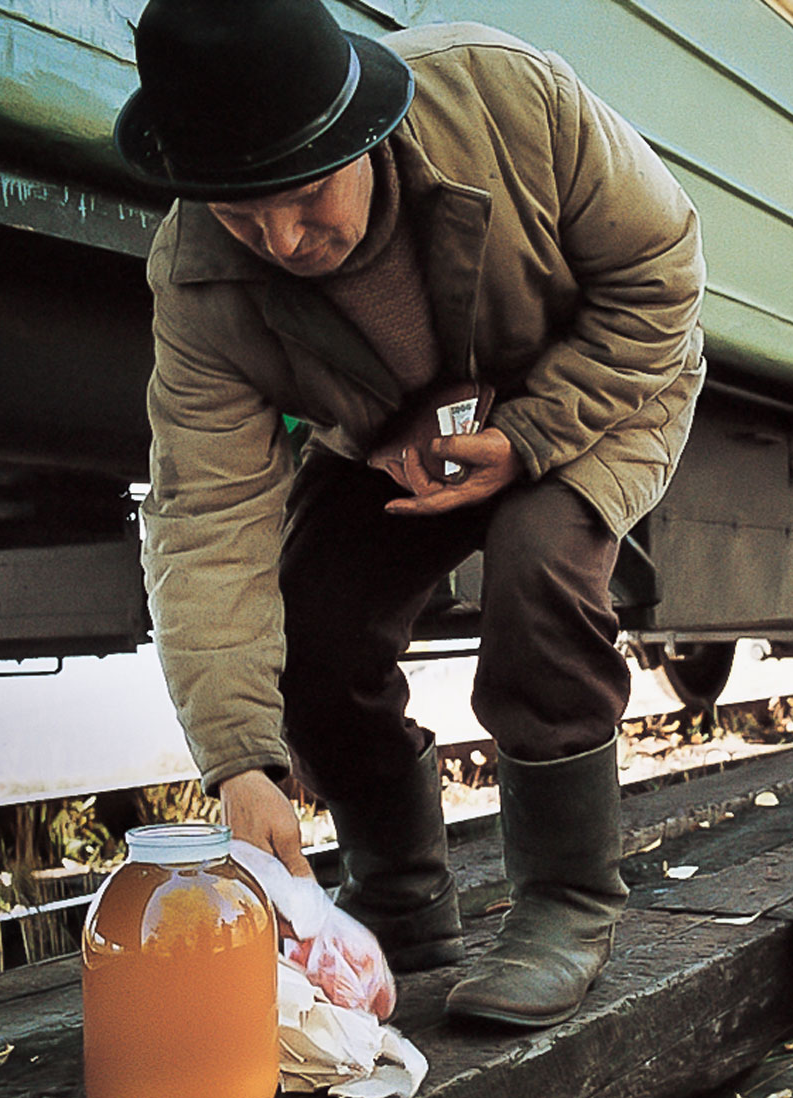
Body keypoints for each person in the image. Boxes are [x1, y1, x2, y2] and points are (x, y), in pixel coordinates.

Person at [114, 0, 705, 1027]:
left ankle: (567, 903)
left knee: (539, 567)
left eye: (303, 197)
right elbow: (207, 517)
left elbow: (660, 280)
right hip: (405, 434)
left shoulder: (512, 100)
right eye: (240, 213)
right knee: (315, 618)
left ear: (364, 132)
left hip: (596, 393)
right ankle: (402, 895)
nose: (283, 239)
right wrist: (241, 767)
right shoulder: (198, 280)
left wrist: (527, 439)